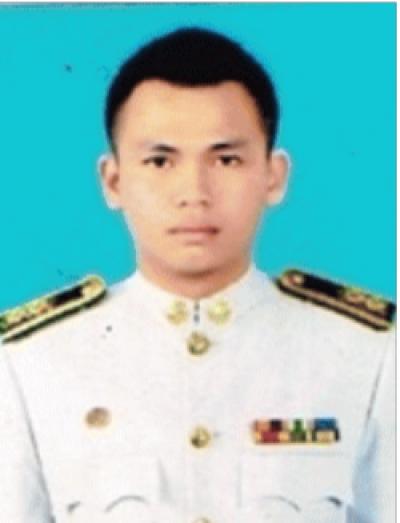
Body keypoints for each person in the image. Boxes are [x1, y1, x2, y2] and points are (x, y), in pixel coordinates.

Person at [0, 27, 396, 523]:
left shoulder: (368, 354)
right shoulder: (28, 362)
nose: (194, 192)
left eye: (226, 159)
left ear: (273, 176)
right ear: (114, 181)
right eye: (160, 161)